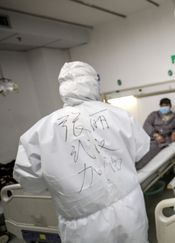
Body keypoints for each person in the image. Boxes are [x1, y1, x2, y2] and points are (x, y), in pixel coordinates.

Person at [13, 61, 151, 243]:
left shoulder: (40, 132)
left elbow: (29, 182)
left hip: (84, 228)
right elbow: (141, 150)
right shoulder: (120, 115)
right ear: (94, 83)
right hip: (130, 210)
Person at [136, 97, 175, 170]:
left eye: (166, 106)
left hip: (162, 140)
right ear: (160, 106)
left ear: (170, 106)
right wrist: (155, 134)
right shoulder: (154, 115)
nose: (164, 108)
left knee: (149, 152)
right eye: (162, 106)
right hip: (151, 137)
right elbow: (146, 125)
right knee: (137, 149)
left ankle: (137, 167)